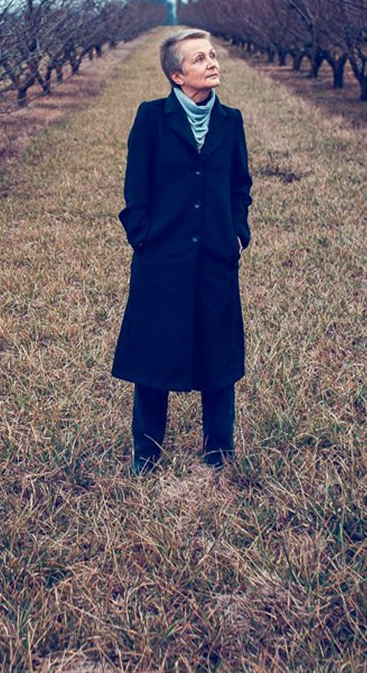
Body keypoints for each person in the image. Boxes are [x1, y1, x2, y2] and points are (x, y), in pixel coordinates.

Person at [111, 29, 253, 474]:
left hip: (215, 255)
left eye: (212, 55)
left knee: (218, 353)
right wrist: (145, 237)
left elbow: (239, 185)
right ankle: (146, 453)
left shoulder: (231, 120)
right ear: (177, 74)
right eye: (199, 59)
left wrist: (237, 232)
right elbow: (136, 189)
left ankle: (218, 450)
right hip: (162, 257)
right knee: (155, 352)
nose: (212, 63)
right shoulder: (151, 118)